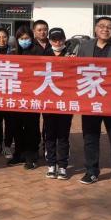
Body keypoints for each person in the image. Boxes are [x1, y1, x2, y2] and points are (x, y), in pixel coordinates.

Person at [77, 16, 111, 191]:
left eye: (109, 27)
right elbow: (76, 71)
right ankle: (91, 171)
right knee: (90, 138)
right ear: (95, 29)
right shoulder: (84, 47)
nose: (105, 29)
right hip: (90, 99)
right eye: (101, 26)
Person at [7, 25, 42, 170]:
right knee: (16, 127)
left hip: (32, 96)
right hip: (16, 96)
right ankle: (18, 153)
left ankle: (31, 156)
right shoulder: (13, 53)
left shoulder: (38, 53)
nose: (24, 41)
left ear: (31, 38)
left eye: (26, 38)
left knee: (31, 128)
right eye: (21, 38)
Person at [42, 28, 72, 180]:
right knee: (50, 135)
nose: (57, 42)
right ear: (50, 40)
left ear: (64, 39)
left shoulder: (72, 55)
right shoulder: (44, 55)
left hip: (66, 102)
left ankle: (62, 166)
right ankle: (51, 165)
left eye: (60, 39)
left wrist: (73, 61)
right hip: (49, 102)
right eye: (54, 39)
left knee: (63, 135)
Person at [0, 27, 14, 158]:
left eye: (4, 37)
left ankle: (7, 146)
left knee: (10, 121)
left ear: (8, 38)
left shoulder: (14, 53)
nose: (1, 40)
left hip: (10, 91)